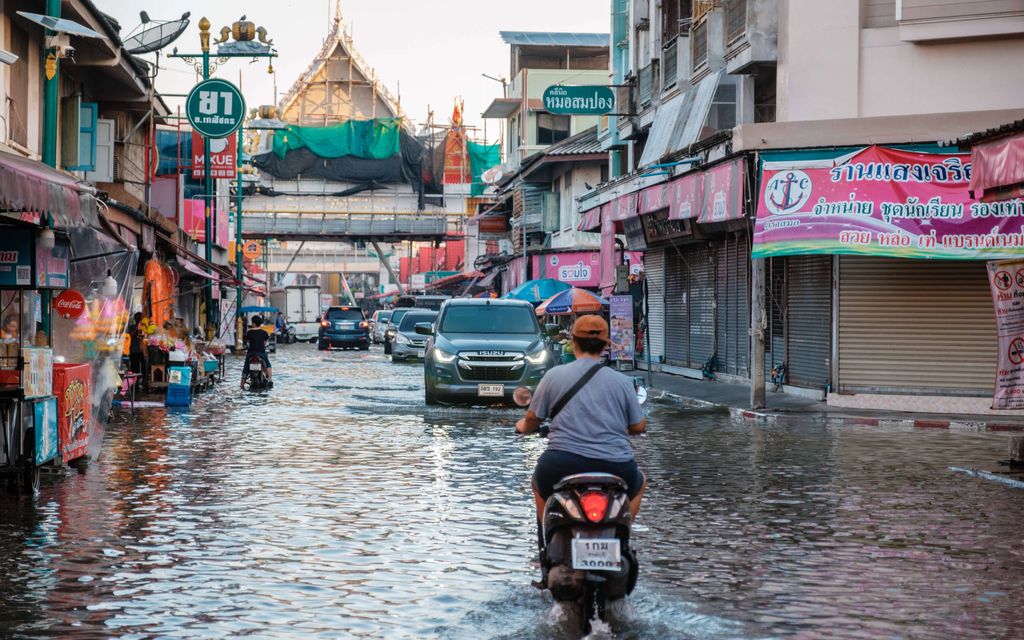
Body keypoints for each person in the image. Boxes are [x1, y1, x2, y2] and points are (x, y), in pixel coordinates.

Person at [516, 315, 648, 547]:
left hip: (561, 464)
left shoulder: (553, 376)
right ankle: (622, 535)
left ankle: (546, 544)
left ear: (573, 342)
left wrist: (521, 427)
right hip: (616, 465)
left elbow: (532, 419)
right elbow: (638, 426)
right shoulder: (621, 382)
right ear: (606, 345)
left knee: (537, 483)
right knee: (640, 483)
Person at [241, 315, 273, 389]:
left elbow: (247, 343)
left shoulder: (249, 333)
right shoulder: (264, 333)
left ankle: (242, 385)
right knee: (268, 364)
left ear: (254, 323)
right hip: (261, 352)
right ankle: (270, 380)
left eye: (252, 322)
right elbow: (265, 343)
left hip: (251, 353)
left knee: (246, 368)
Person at [127, 312, 147, 389]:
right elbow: (130, 336)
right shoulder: (132, 327)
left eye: (140, 318)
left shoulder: (145, 327)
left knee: (144, 368)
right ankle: (135, 385)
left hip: (143, 351)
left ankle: (144, 383)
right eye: (137, 318)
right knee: (135, 368)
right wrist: (137, 329)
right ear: (135, 319)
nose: (138, 319)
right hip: (134, 351)